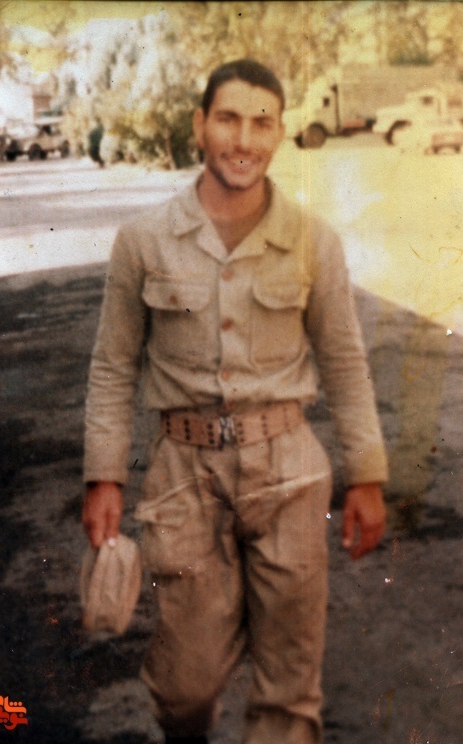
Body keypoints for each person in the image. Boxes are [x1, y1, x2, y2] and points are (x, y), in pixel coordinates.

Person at [82, 59, 388, 744]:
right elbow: (113, 365)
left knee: (289, 689)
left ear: (280, 134)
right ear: (200, 125)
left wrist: (367, 474)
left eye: (261, 123)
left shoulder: (313, 240)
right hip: (183, 477)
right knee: (184, 686)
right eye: (228, 119)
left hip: (289, 473)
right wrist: (104, 476)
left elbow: (344, 362)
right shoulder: (143, 240)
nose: (243, 140)